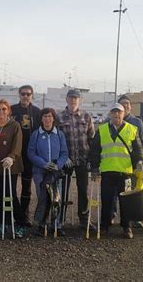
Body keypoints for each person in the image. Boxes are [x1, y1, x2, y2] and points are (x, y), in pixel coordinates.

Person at [89, 103, 143, 239]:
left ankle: (127, 227)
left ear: (124, 113)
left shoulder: (132, 129)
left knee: (126, 202)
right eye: (114, 112)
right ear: (110, 114)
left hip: (125, 172)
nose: (116, 115)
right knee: (106, 200)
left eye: (119, 112)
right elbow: (95, 151)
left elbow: (138, 149)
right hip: (107, 171)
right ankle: (105, 225)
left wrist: (140, 162)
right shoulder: (102, 130)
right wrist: (95, 168)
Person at [56, 89, 95, 229]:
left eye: (76, 98)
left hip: (82, 160)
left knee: (83, 190)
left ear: (80, 100)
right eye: (71, 97)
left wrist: (91, 158)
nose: (73, 100)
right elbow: (56, 140)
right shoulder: (59, 117)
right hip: (66, 160)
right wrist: (61, 157)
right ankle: (60, 219)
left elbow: (91, 139)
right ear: (66, 99)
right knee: (63, 190)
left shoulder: (86, 116)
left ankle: (84, 219)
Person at [0, 99, 27, 238]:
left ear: (8, 111)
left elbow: (17, 144)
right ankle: (2, 221)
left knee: (10, 195)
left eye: (4, 109)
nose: (1, 112)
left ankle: (20, 223)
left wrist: (12, 156)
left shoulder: (14, 126)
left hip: (11, 166)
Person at [28, 108, 68, 236]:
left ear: (53, 118)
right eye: (45, 116)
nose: (47, 119)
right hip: (40, 172)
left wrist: (59, 165)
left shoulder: (59, 135)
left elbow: (64, 153)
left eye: (50, 116)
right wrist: (43, 163)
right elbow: (31, 153)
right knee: (43, 197)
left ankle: (57, 225)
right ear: (41, 119)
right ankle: (42, 224)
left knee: (56, 198)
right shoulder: (36, 134)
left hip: (55, 173)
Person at [11, 85, 41, 226]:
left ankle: (25, 214)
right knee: (10, 187)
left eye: (28, 94)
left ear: (32, 95)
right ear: (19, 94)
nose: (25, 96)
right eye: (23, 93)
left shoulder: (36, 112)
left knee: (26, 187)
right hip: (14, 153)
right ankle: (14, 214)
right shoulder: (11, 110)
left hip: (29, 155)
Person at [116, 94, 143, 228]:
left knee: (133, 190)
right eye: (122, 103)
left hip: (133, 164)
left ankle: (133, 217)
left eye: (127, 103)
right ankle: (112, 215)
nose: (125, 105)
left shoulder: (137, 122)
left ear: (131, 106)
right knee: (115, 192)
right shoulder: (111, 120)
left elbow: (142, 143)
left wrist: (141, 161)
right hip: (117, 162)